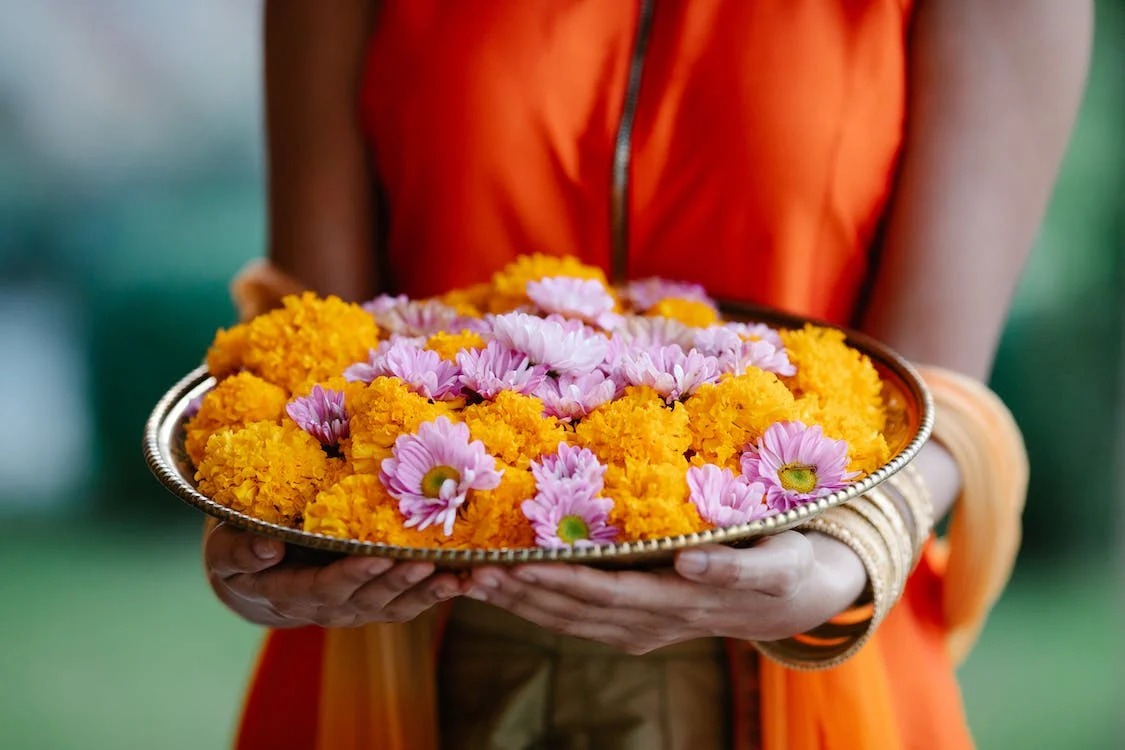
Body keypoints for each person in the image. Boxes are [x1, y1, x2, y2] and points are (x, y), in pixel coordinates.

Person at [202, 2, 1091, 748]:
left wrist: (841, 559)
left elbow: (933, 395)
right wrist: (267, 540)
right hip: (398, 650)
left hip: (791, 667)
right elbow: (316, 345)